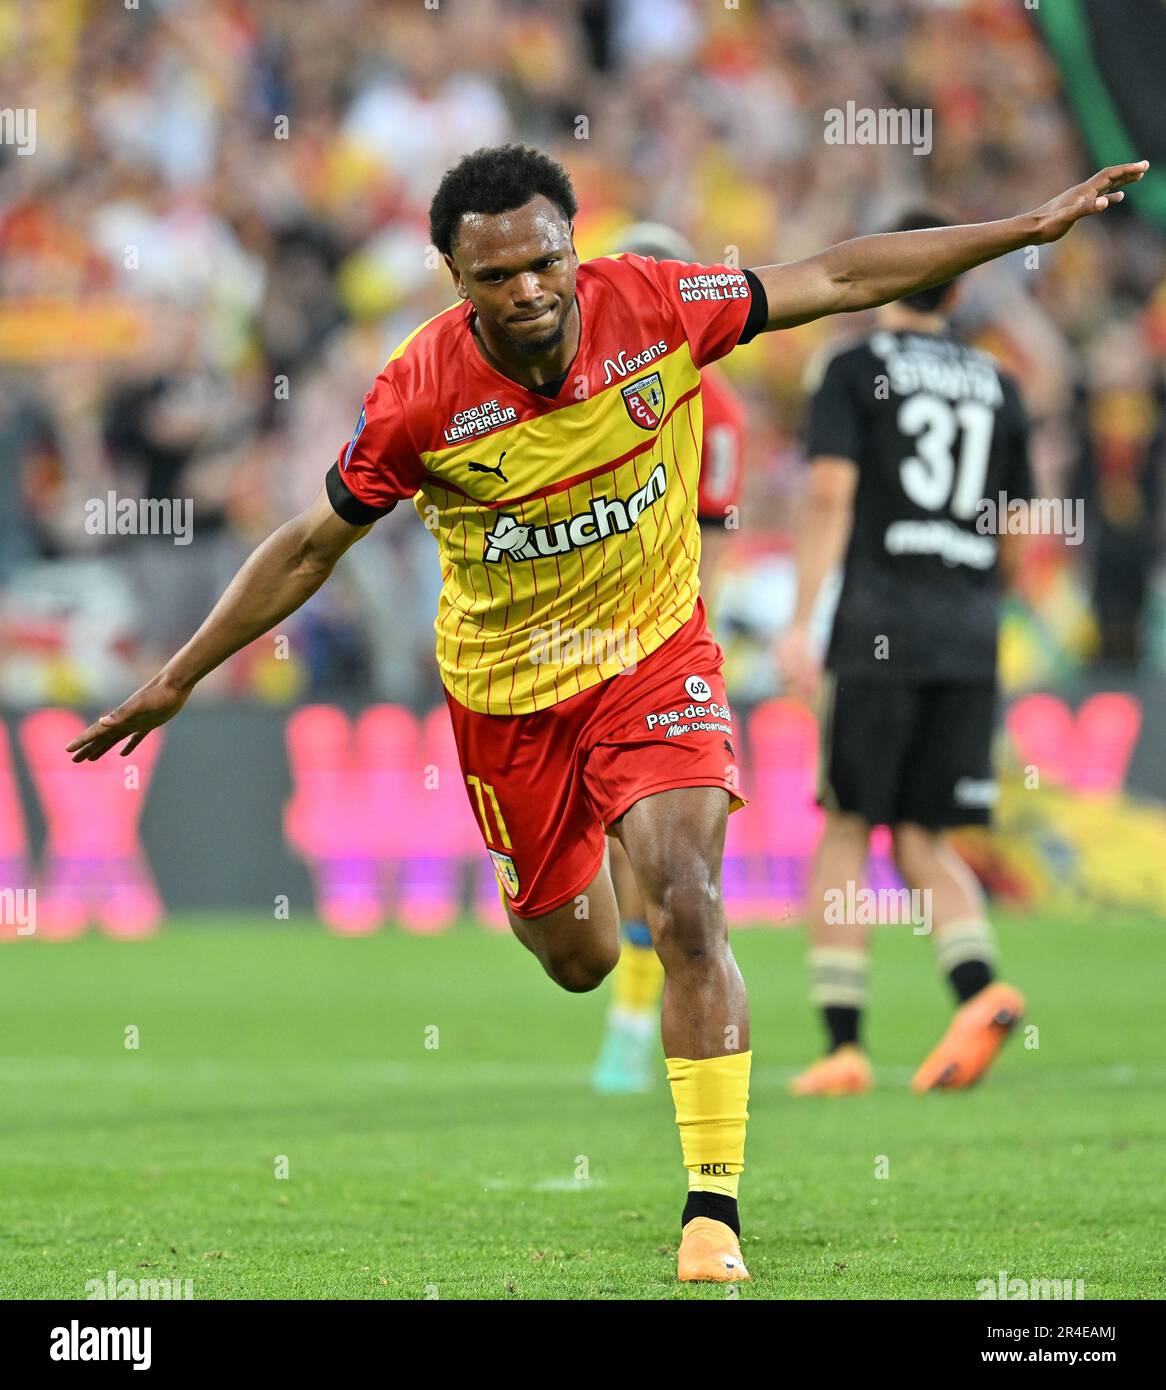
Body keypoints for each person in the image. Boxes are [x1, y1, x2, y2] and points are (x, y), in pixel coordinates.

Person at [68, 146, 1149, 1281]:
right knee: (578, 956)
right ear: (452, 276)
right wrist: (183, 673)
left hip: (652, 657)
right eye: (497, 276)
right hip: (508, 697)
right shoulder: (417, 396)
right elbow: (307, 547)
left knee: (685, 898)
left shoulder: (655, 303)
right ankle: (560, 895)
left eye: (546, 261)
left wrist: (1018, 228)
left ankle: (711, 1210)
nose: (529, 288)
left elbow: (834, 276)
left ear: (573, 248)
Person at [779, 209, 1034, 1097]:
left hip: (879, 626)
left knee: (848, 824)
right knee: (926, 832)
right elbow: (1014, 529)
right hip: (968, 629)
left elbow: (828, 494)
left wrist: (803, 619)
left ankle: (845, 1047)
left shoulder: (851, 370)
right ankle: (981, 987)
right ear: (958, 285)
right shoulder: (1000, 383)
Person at [590, 222, 748, 1096]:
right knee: (624, 859)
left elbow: (714, 534)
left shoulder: (712, 410)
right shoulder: (576, 385)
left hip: (661, 647)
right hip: (571, 648)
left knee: (673, 865)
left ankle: (632, 1022)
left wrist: (690, 636)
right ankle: (627, 1011)